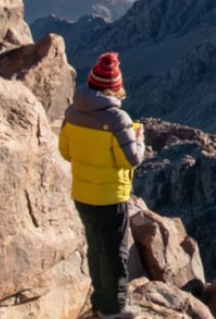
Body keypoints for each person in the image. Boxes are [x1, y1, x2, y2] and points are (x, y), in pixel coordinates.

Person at [59, 52, 145, 319]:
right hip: (109, 197)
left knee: (96, 249)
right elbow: (130, 160)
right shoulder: (118, 119)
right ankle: (115, 309)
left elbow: (65, 151)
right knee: (115, 254)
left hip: (82, 194)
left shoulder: (72, 112)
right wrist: (138, 139)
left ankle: (99, 302)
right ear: (114, 88)